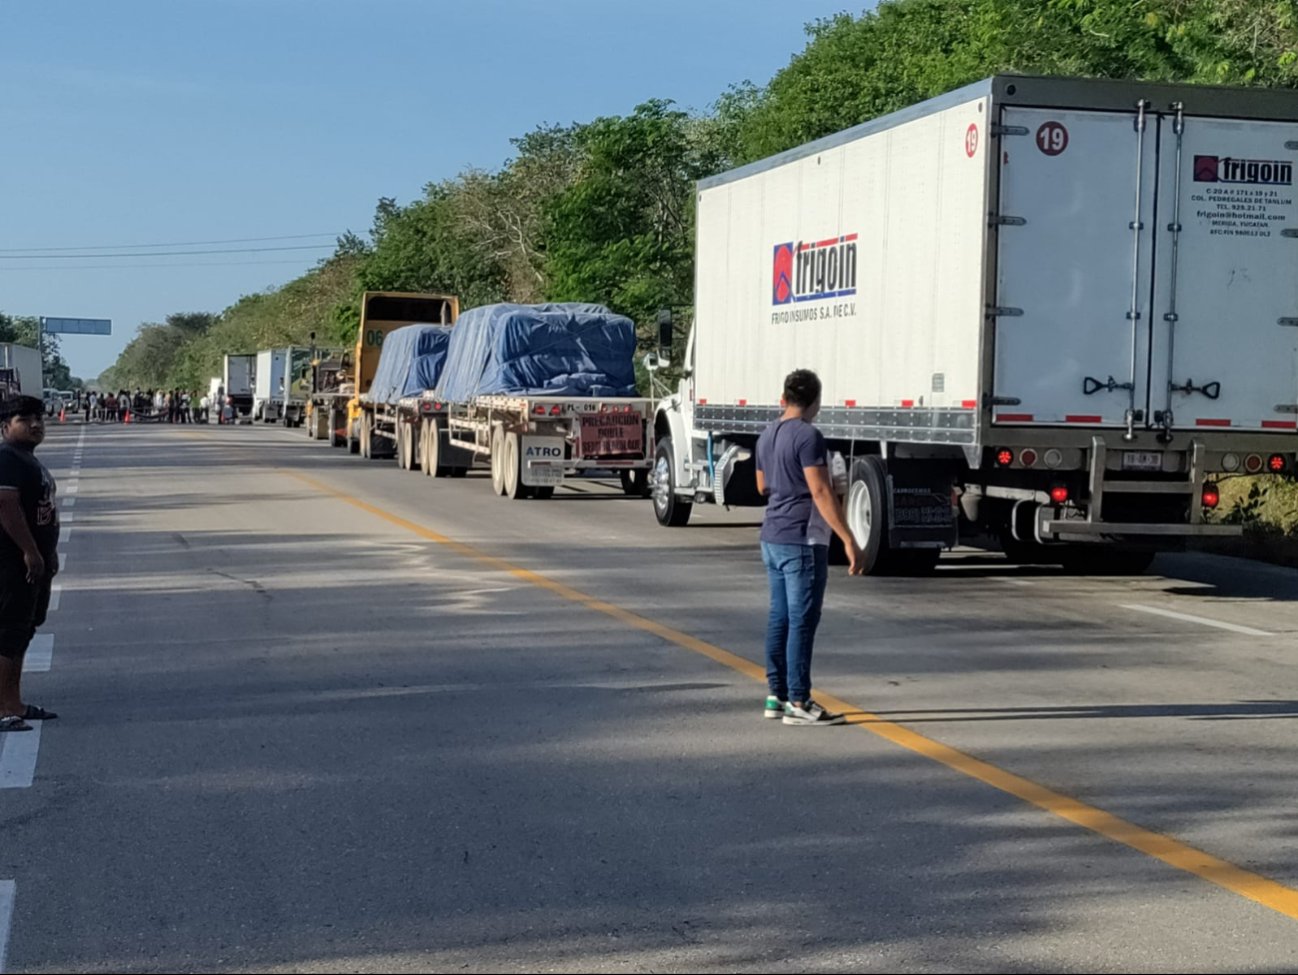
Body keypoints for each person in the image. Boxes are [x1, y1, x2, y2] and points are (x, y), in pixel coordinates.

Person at [755, 369, 863, 727]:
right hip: (802, 538)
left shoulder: (767, 434)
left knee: (780, 617)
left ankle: (777, 694)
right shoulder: (809, 436)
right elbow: (819, 491)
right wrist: (848, 538)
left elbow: (761, 486)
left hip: (772, 535)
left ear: (784, 397)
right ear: (815, 400)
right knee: (803, 621)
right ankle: (799, 701)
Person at [0, 396, 60, 731]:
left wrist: (46, 554)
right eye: (25, 419)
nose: (35, 424)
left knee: (22, 631)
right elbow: (5, 505)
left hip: (32, 562)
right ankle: (4, 708)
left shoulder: (25, 458)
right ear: (5, 426)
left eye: (39, 418)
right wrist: (29, 551)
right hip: (11, 562)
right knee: (9, 632)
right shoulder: (7, 458)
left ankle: (14, 703)